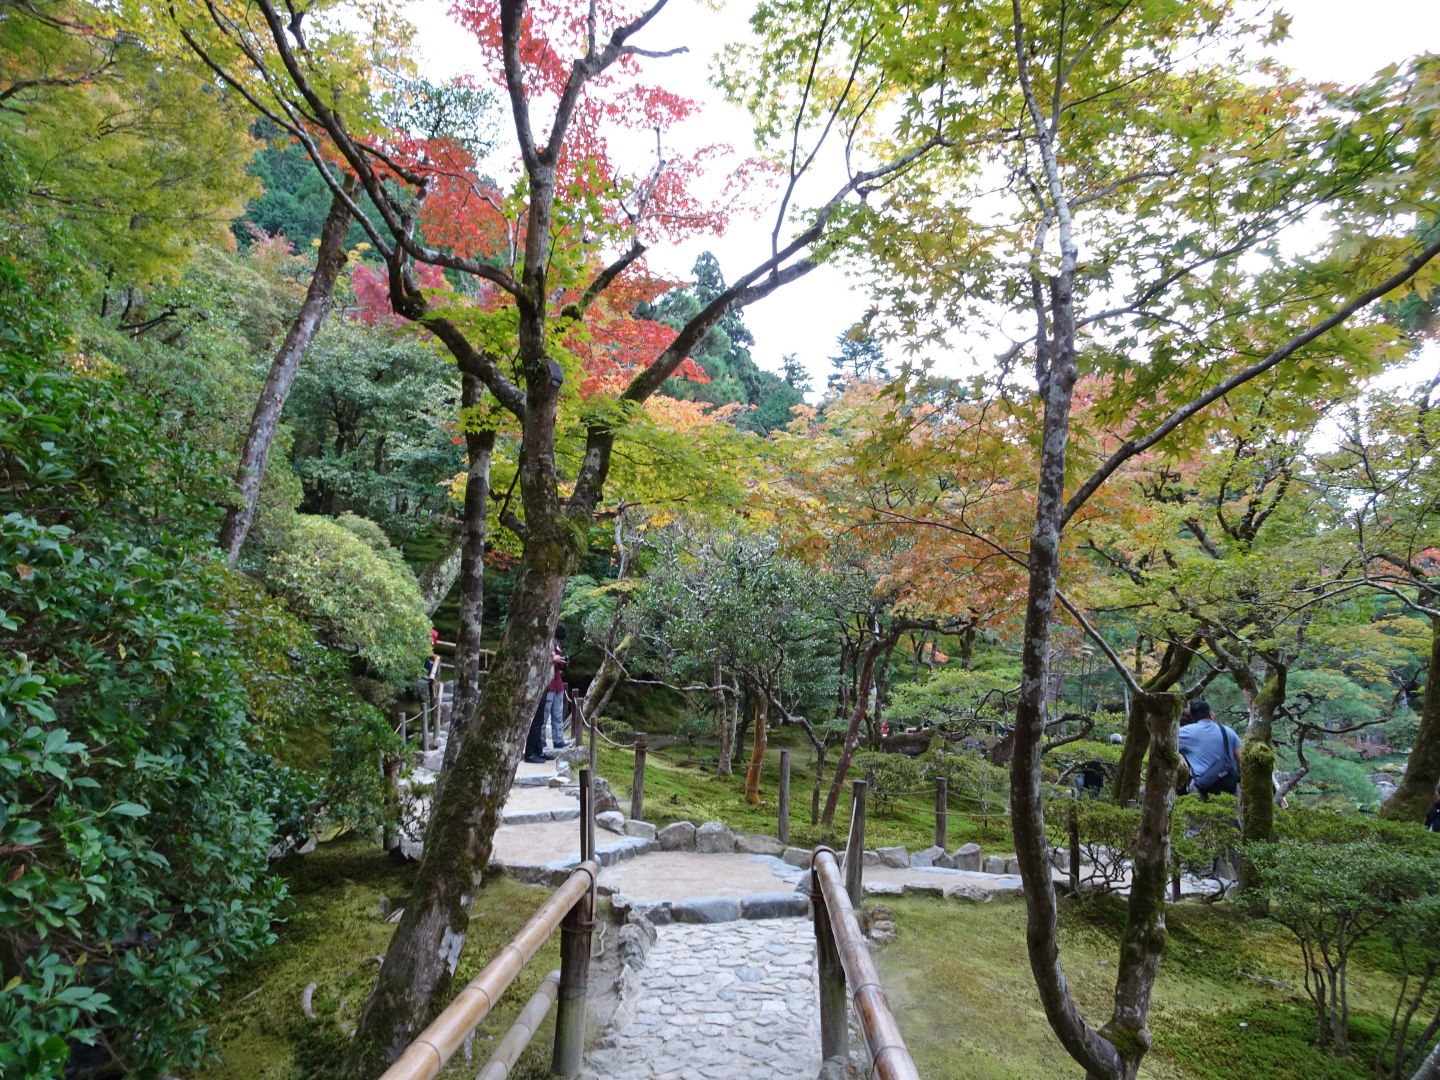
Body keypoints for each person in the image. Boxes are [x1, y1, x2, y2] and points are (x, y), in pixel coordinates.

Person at [1177, 699, 1241, 796]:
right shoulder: (1228, 731)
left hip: (1203, 788)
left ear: (1193, 717)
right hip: (1230, 786)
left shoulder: (1185, 732)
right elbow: (1241, 759)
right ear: (1210, 714)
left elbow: (1165, 745)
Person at [522, 626, 567, 764]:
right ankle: (531, 753)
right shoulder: (538, 644)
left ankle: (538, 751)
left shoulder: (550, 645)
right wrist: (552, 659)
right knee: (537, 721)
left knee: (541, 719)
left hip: (546, 684)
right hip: (539, 685)